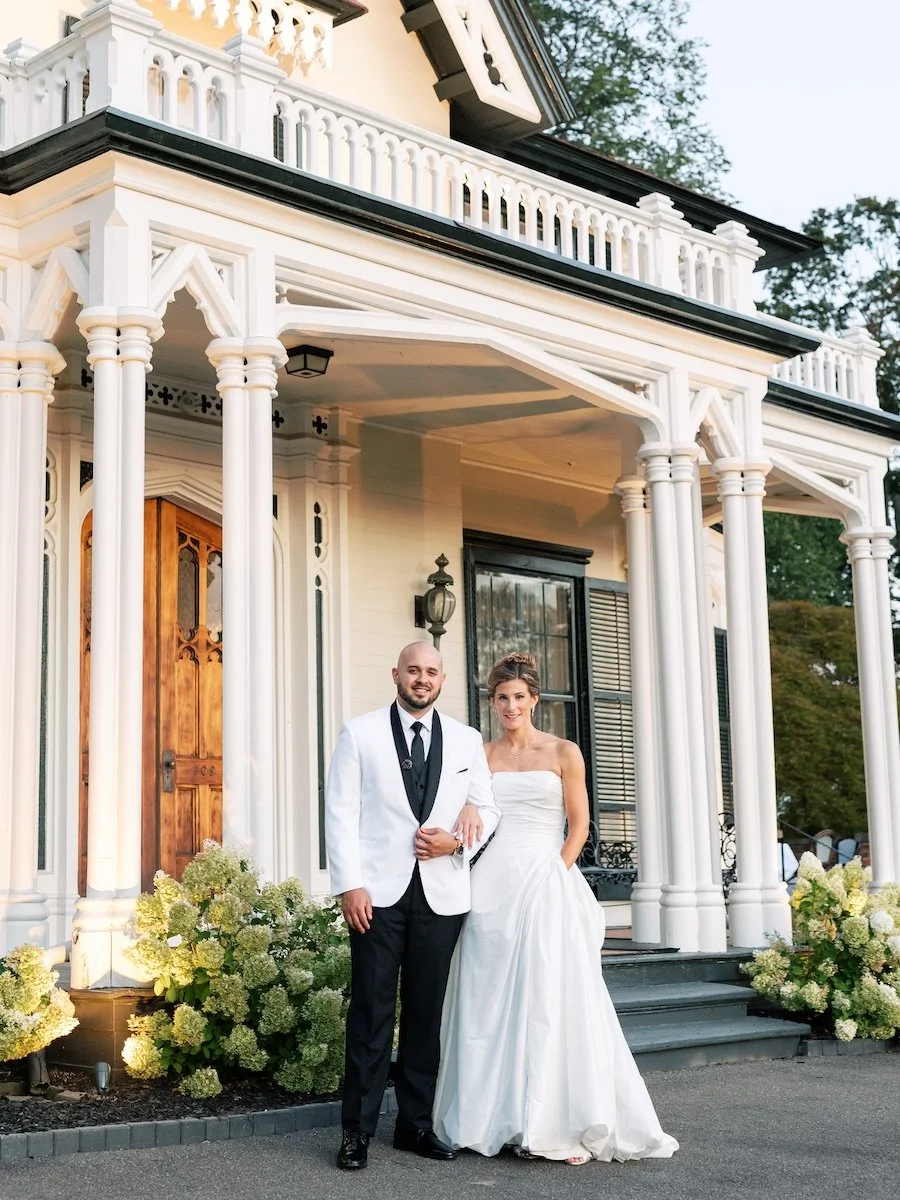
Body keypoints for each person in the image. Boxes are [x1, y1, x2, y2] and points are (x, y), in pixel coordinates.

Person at [434, 651, 678, 1165]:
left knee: (549, 993)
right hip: (492, 883)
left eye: (519, 697)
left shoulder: (564, 751)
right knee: (488, 994)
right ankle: (488, 1118)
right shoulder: (481, 754)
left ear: (534, 700)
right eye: (502, 697)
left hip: (547, 875)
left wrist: (557, 874)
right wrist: (470, 810)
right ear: (493, 702)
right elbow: (469, 808)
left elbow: (581, 825)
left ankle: (555, 1120)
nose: (510, 705)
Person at [325, 641, 501, 1171]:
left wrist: (459, 841)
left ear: (442, 679)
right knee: (371, 1015)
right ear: (395, 674)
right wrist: (349, 885)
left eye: (431, 672)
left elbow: (488, 809)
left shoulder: (469, 742)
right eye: (413, 671)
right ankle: (356, 1133)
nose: (421, 679)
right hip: (375, 898)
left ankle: (414, 1126)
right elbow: (340, 812)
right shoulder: (360, 732)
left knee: (426, 1016)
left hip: (442, 897)